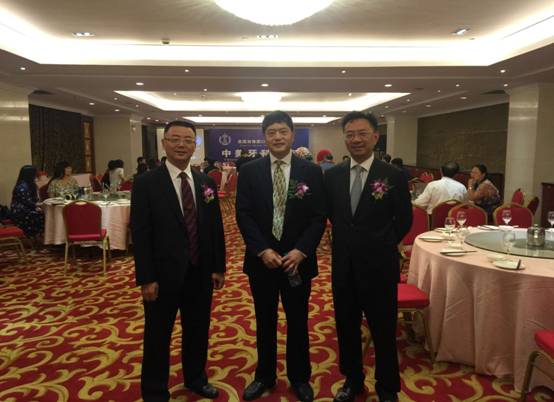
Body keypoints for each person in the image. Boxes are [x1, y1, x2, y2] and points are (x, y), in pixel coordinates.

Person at [131, 120, 226, 402]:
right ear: (164, 144)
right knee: (158, 335)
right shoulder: (146, 183)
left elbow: (215, 227)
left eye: (187, 140)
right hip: (163, 276)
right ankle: (154, 391)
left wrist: (218, 267)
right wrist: (146, 278)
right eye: (175, 139)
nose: (181, 145)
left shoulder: (205, 181)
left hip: (200, 271)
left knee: (197, 330)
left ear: (194, 145)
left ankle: (196, 378)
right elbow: (141, 233)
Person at [236, 111, 326, 402]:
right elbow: (243, 214)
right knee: (264, 320)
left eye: (283, 131)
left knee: (298, 321)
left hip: (298, 261)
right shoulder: (250, 171)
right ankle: (264, 376)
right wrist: (262, 249)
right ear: (264, 136)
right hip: (262, 261)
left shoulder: (311, 171)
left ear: (292, 134)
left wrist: (301, 250)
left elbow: (318, 216)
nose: (277, 137)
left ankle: (300, 377)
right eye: (271, 132)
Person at [324, 111, 412, 402]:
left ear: (375, 137)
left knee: (383, 329)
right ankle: (353, 381)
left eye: (362, 133)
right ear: (345, 139)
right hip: (344, 266)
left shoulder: (393, 175)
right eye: (350, 134)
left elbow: (404, 219)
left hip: (379, 266)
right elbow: (331, 215)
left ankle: (387, 387)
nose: (356, 139)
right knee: (346, 327)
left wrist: (381, 243)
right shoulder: (333, 175)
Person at [11, 165, 44, 239]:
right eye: (34, 174)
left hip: (27, 208)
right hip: (20, 211)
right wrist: (38, 205)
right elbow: (26, 201)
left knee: (43, 213)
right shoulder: (22, 186)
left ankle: (36, 236)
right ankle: (32, 236)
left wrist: (37, 205)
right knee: (40, 215)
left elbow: (34, 199)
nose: (36, 176)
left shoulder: (30, 184)